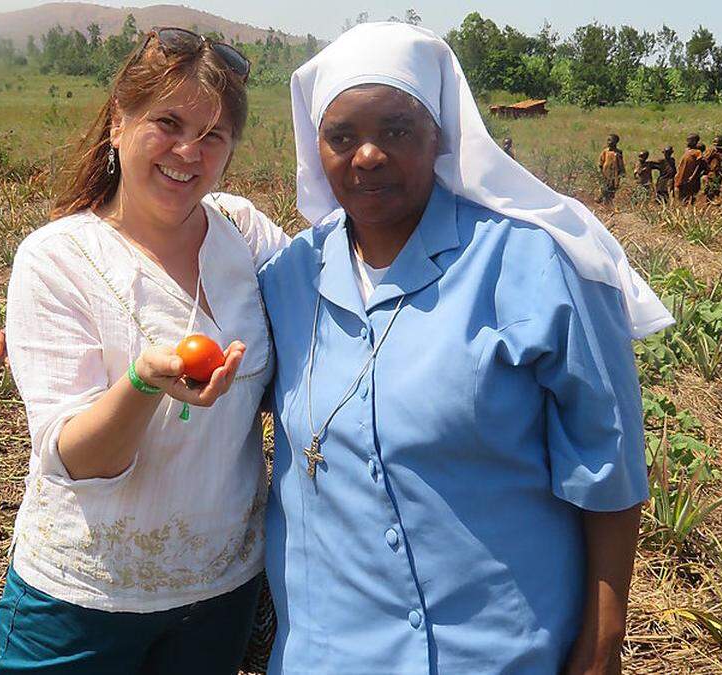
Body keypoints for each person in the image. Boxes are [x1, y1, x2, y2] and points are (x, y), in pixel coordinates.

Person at [260, 22, 672, 674]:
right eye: (342, 136)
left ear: (441, 135)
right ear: (318, 150)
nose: (366, 154)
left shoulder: (536, 265)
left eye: (395, 129)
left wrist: (603, 640)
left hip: (501, 649)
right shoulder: (286, 279)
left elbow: (607, 466)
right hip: (332, 653)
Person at [0, 27, 290, 674]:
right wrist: (143, 381)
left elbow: (334, 305)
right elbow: (74, 455)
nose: (189, 151)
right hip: (81, 601)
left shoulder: (247, 234)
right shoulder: (57, 258)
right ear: (119, 122)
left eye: (213, 135)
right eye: (169, 122)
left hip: (220, 591)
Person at [676, 134, 705, 203]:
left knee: (689, 194)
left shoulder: (697, 152)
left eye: (690, 140)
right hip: (682, 175)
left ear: (695, 141)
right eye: (687, 140)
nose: (687, 142)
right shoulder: (687, 150)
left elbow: (698, 165)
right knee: (681, 193)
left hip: (689, 176)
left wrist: (693, 176)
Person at [597, 134, 625, 204]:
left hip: (614, 175)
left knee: (612, 189)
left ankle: (608, 202)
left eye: (611, 140)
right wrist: (600, 172)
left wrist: (622, 172)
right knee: (604, 188)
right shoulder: (605, 151)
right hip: (605, 174)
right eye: (608, 140)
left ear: (616, 142)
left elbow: (621, 163)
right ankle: (601, 200)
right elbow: (601, 162)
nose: (609, 142)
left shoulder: (618, 152)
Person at [701, 134, 722, 201]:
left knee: (717, 188)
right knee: (709, 187)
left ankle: (713, 200)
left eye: (717, 141)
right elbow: (705, 160)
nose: (715, 143)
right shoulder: (711, 150)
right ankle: (707, 201)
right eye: (714, 141)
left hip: (720, 173)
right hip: (711, 172)